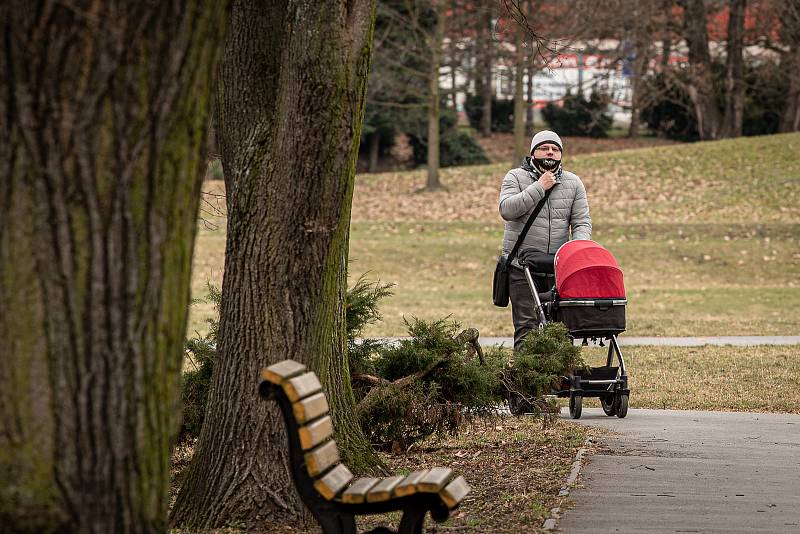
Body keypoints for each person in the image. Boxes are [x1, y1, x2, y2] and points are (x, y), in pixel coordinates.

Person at [498, 130, 592, 351]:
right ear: (533, 153)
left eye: (555, 149)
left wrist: (575, 253)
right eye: (544, 148)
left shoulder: (573, 182)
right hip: (521, 267)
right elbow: (507, 210)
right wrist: (540, 186)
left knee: (561, 328)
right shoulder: (514, 177)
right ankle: (526, 381)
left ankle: (563, 380)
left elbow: (582, 222)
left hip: (559, 268)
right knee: (527, 326)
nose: (550, 152)